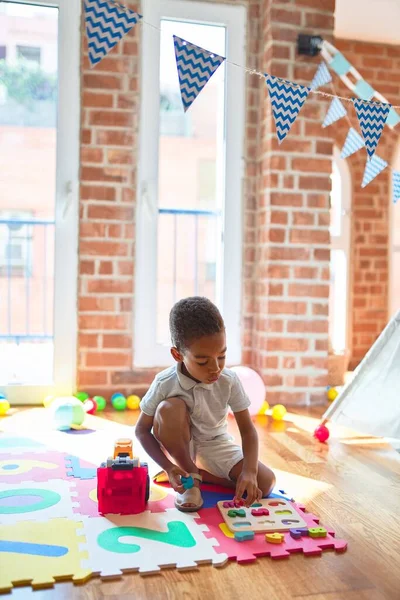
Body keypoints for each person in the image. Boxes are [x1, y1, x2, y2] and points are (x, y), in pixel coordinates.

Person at [135, 296, 275, 511]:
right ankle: (188, 478)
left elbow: (248, 430)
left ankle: (200, 475)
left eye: (222, 356)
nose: (215, 368)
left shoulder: (229, 380)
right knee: (170, 408)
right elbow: (142, 430)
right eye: (202, 361)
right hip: (177, 445)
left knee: (265, 483)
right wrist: (168, 466)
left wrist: (249, 472)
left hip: (214, 444)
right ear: (177, 355)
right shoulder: (165, 382)